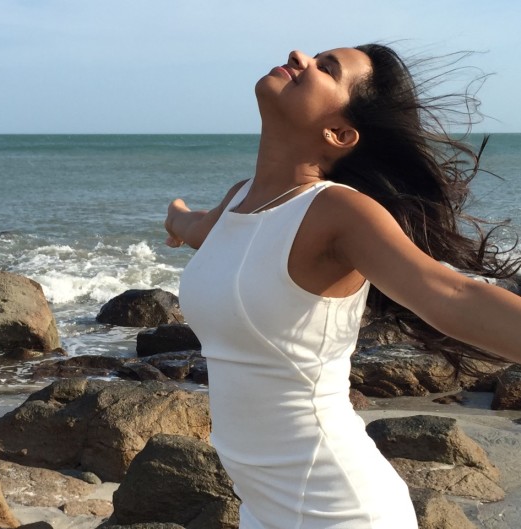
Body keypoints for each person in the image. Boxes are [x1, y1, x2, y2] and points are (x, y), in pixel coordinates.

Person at [164, 44, 521, 529]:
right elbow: (200, 229)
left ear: (339, 134)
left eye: (326, 68)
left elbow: (451, 295)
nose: (300, 55)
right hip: (261, 509)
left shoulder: (339, 212)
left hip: (339, 509)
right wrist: (176, 217)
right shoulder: (240, 199)